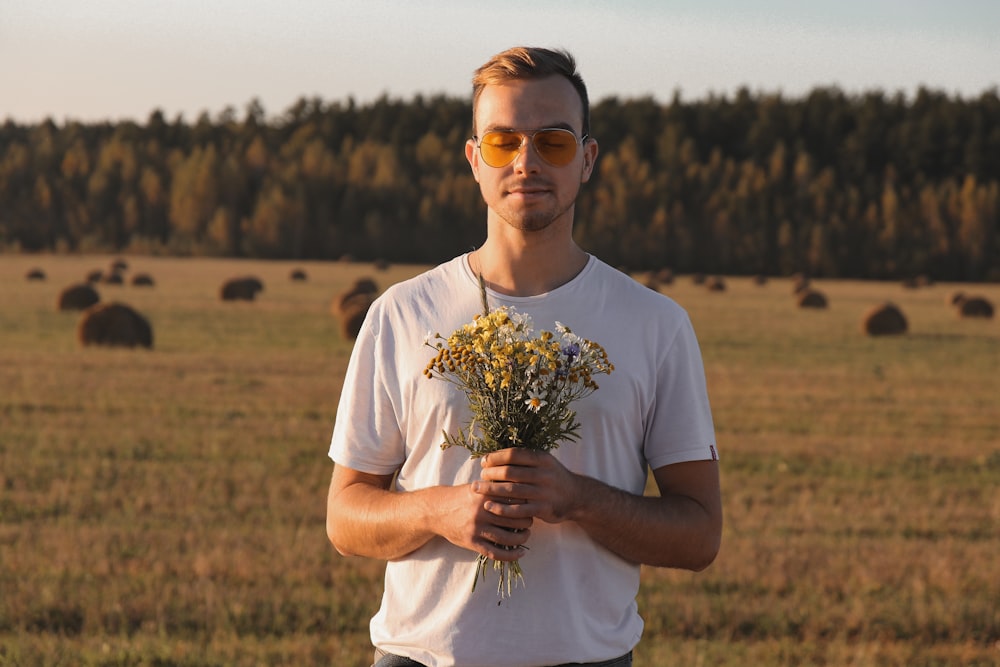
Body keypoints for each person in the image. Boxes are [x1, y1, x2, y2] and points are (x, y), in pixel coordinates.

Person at [326, 46, 722, 667]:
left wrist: (577, 499)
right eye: (504, 141)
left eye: (554, 143)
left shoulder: (656, 326)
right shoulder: (401, 314)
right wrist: (440, 509)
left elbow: (700, 534)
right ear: (474, 159)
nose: (527, 161)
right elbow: (345, 518)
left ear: (587, 160)